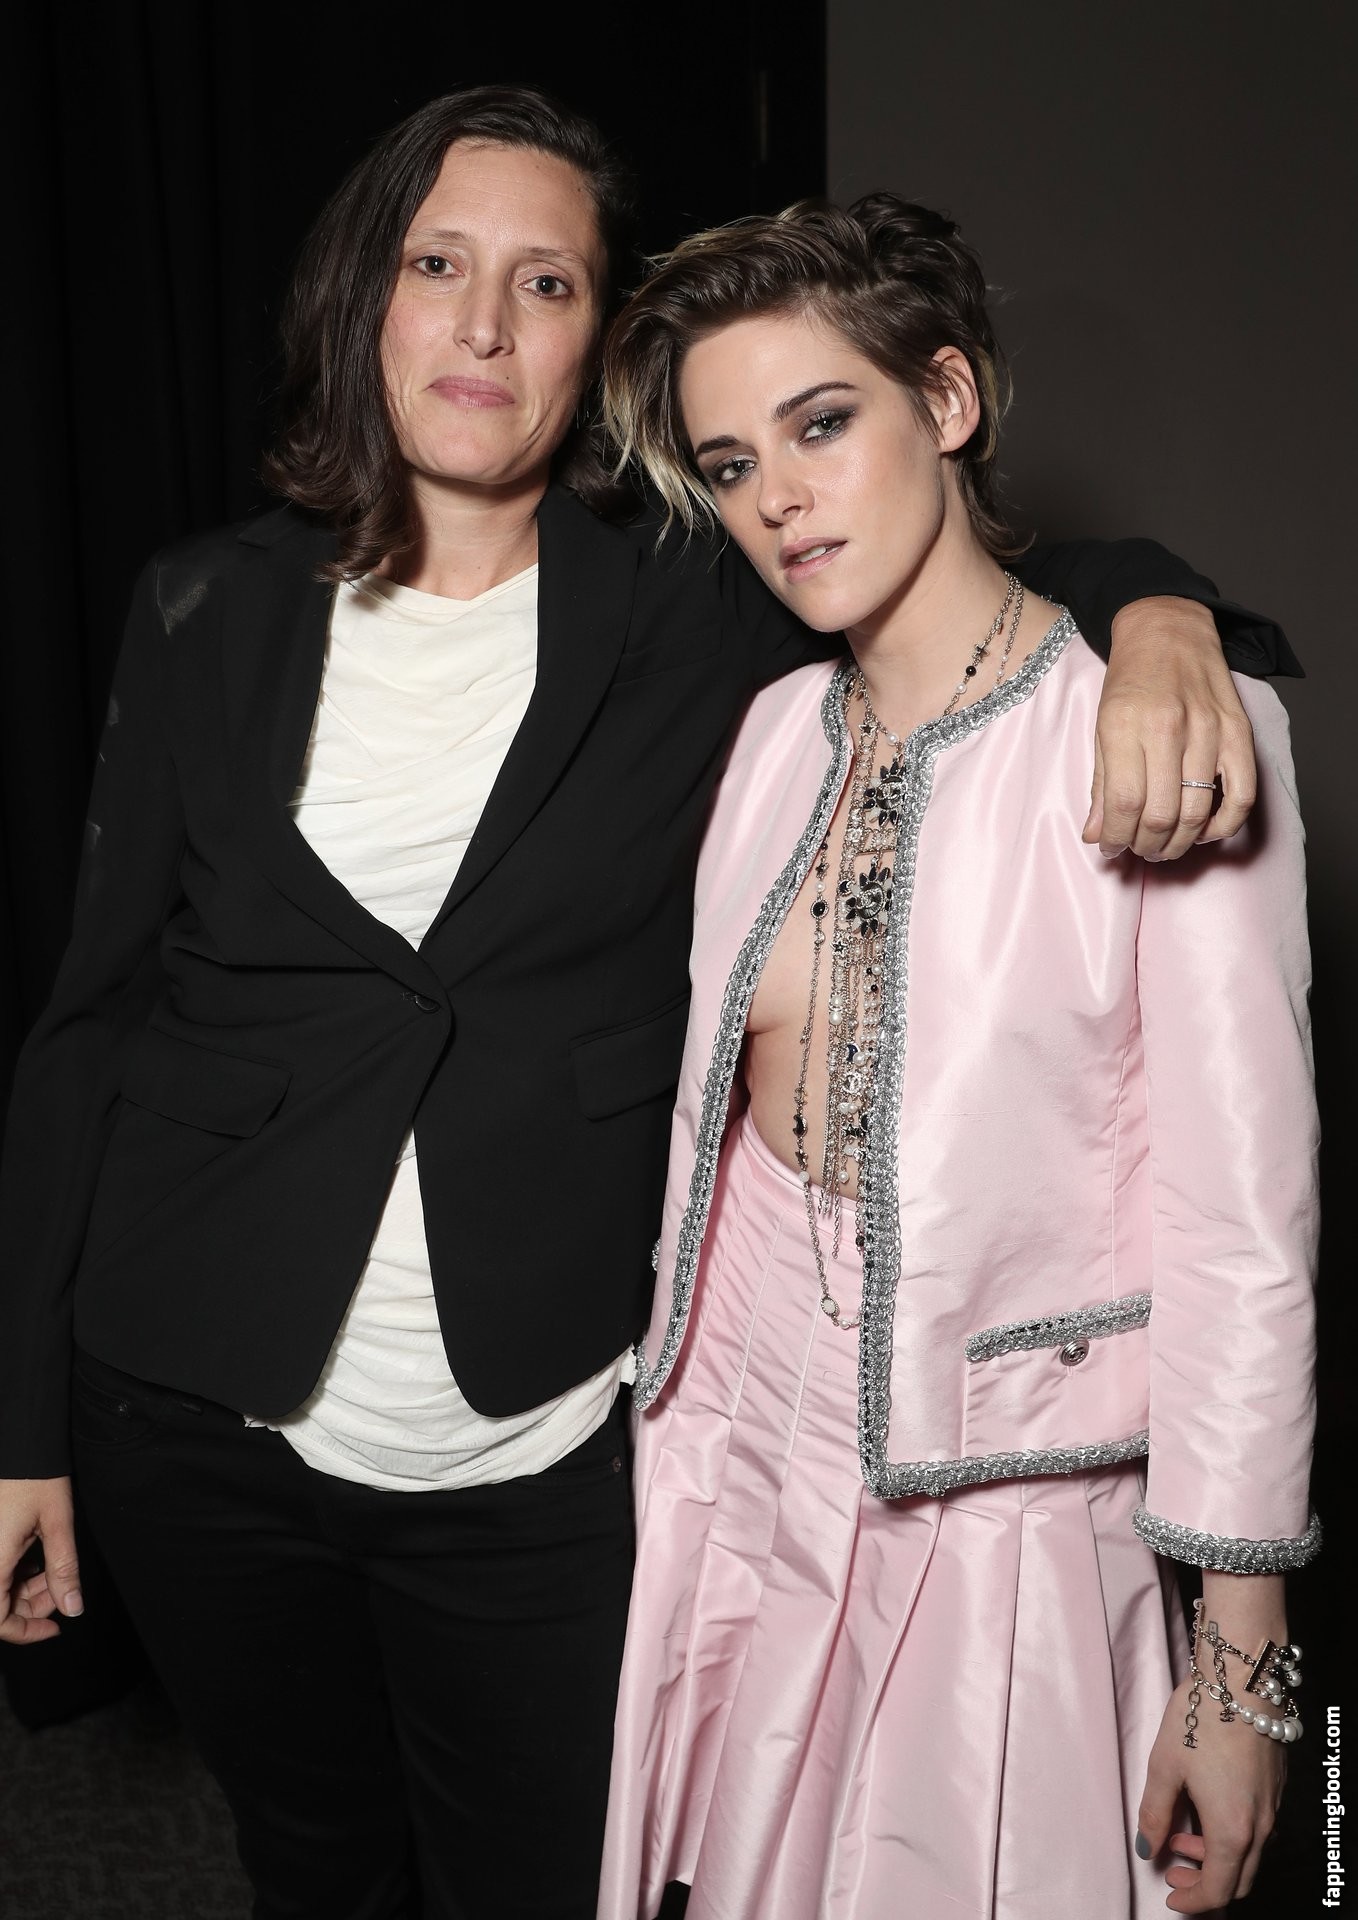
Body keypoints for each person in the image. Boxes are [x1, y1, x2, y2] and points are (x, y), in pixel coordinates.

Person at [0, 86, 1298, 1920]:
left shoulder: (699, 611)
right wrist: (22, 1428)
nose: (480, 323)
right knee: (308, 1862)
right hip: (193, 1398)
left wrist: (1169, 618)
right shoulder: (203, 607)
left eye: (543, 283)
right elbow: (91, 1019)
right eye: (436, 265)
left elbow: (969, 570)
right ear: (361, 294)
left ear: (590, 343)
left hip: (544, 1432)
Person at [597, 195, 1318, 1919]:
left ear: (945, 399)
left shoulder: (1160, 732)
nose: (775, 498)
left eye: (819, 424)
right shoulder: (767, 730)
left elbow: (1240, 1229)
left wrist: (1239, 1677)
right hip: (737, 1459)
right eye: (729, 462)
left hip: (1002, 1508)